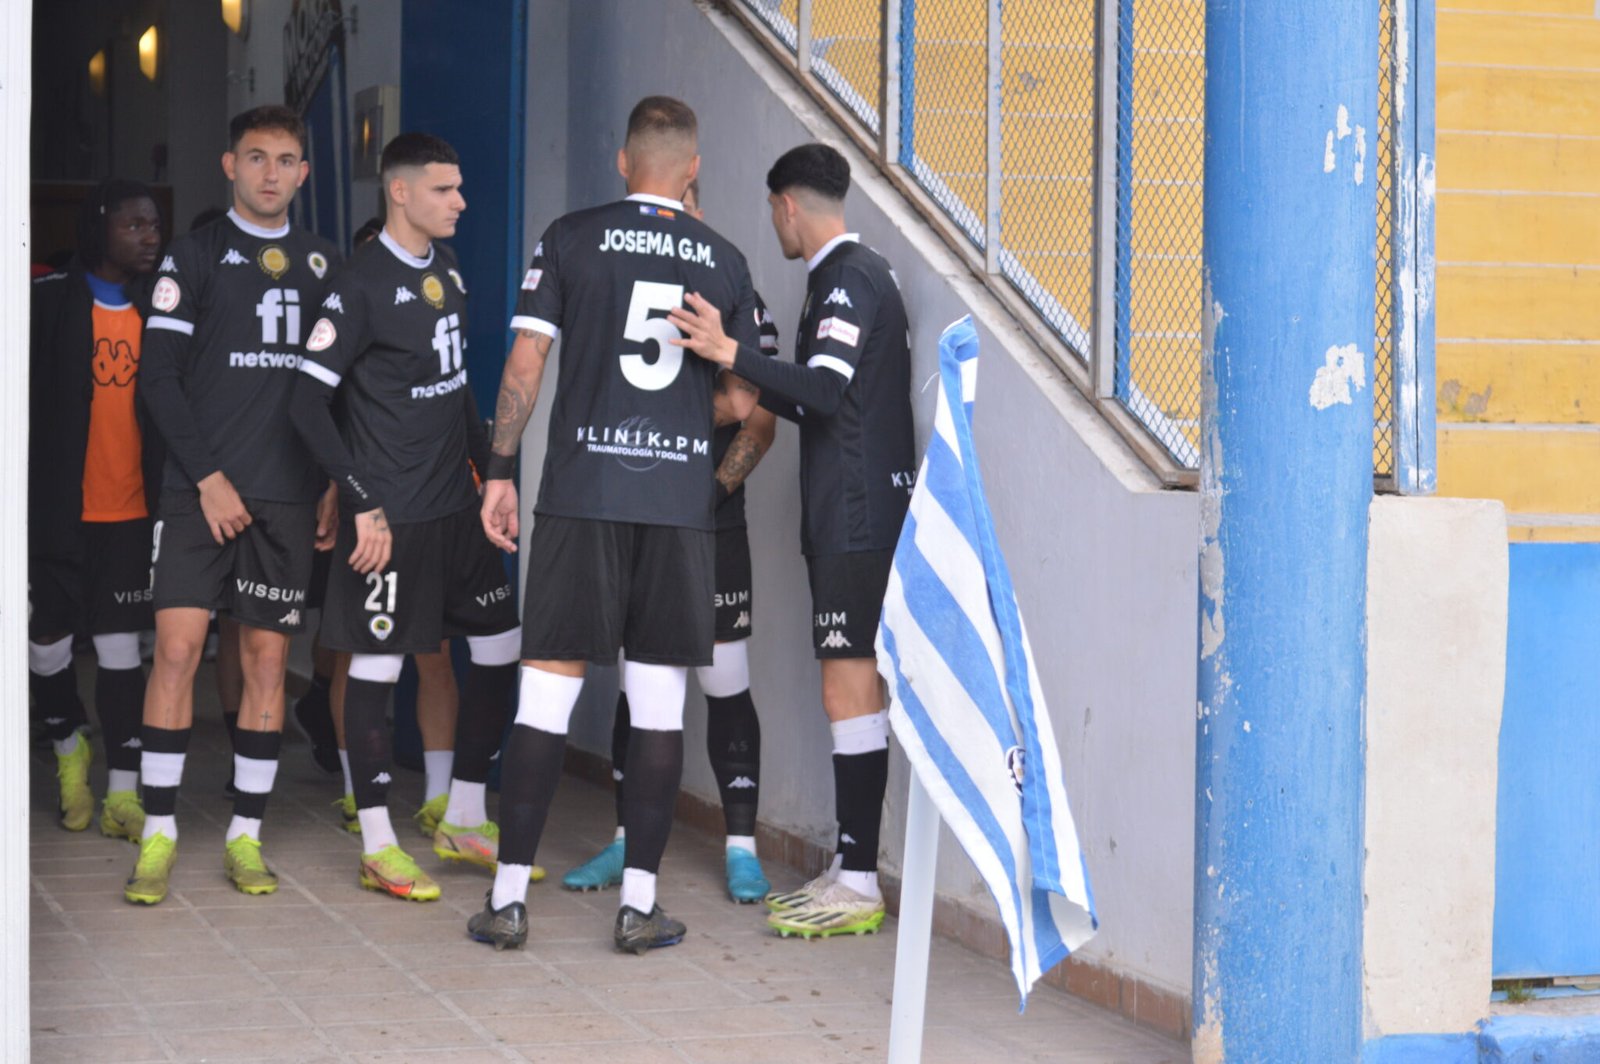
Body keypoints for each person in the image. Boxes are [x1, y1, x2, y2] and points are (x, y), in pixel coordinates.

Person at [472, 95, 761, 953]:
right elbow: (745, 399)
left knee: (547, 697)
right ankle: (639, 907)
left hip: (579, 495)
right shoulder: (724, 259)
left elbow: (527, 360)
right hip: (675, 508)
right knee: (660, 706)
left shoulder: (570, 235)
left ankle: (507, 900)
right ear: (694, 168)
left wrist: (498, 471)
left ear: (622, 160)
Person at [670, 142, 915, 939]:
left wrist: (729, 354)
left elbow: (827, 389)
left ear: (786, 206)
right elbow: (817, 404)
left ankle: (857, 878)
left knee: (849, 690)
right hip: (851, 514)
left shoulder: (847, 277)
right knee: (851, 690)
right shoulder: (851, 276)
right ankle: (852, 868)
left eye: (772, 209)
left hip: (855, 517)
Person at [291, 132, 525, 902]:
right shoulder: (357, 286)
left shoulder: (447, 271)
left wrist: (495, 475)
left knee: (498, 650)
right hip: (391, 519)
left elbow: (456, 390)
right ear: (400, 192)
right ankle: (379, 843)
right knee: (378, 668)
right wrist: (361, 500)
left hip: (457, 512)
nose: (461, 202)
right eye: (445, 190)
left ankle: (462, 814)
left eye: (459, 189)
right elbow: (305, 402)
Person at [125, 105, 341, 905]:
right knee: (177, 650)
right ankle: (157, 833)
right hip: (198, 492)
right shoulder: (194, 255)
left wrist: (331, 480)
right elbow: (159, 380)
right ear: (230, 165)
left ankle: (246, 836)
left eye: (286, 160)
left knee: (268, 662)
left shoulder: (325, 266)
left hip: (286, 498)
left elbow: (337, 391)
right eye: (256, 158)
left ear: (303, 173)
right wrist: (208, 476)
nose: (271, 173)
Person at [562, 177, 778, 903]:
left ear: (695, 207)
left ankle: (742, 846)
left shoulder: (728, 280)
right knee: (640, 677)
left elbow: (759, 417)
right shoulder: (615, 276)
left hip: (706, 520)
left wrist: (701, 486)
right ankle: (627, 840)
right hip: (635, 515)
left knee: (723, 678)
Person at [28, 178, 164, 840]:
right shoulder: (49, 301)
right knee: (45, 645)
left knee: (120, 652)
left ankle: (122, 793)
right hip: (56, 513)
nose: (150, 236)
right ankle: (67, 750)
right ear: (100, 227)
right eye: (135, 225)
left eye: (154, 225)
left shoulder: (159, 310)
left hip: (130, 513)